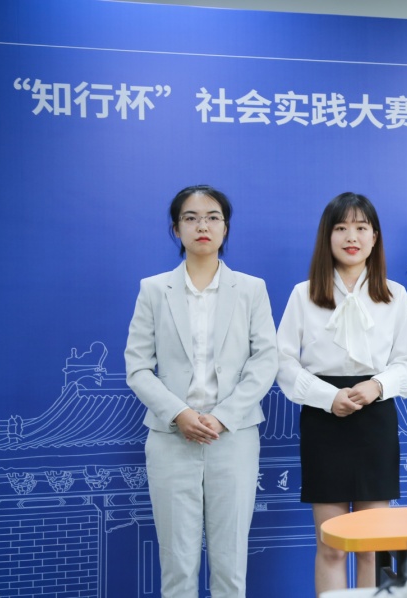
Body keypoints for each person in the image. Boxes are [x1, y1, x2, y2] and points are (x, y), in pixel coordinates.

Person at [124, 184, 278, 598]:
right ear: (176, 229)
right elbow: (137, 367)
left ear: (225, 227)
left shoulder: (251, 289)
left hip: (234, 436)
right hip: (172, 438)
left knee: (230, 564)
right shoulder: (154, 290)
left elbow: (266, 361)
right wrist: (180, 414)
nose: (202, 226)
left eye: (212, 217)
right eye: (190, 218)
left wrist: (223, 416)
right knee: (177, 565)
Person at [275, 192, 407, 596]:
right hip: (324, 420)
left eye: (360, 227)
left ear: (375, 237)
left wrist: (377, 386)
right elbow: (283, 362)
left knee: (372, 547)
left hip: (375, 417)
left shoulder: (394, 295)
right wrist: (327, 397)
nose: (351, 237)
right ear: (327, 237)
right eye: (341, 228)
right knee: (332, 546)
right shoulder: (303, 294)